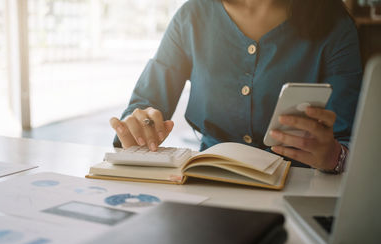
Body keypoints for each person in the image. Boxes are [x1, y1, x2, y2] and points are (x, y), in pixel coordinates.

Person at [110, 0, 362, 173]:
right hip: (206, 180)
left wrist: (335, 157)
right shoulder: (192, 15)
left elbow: (352, 143)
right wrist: (138, 126)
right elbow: (144, 105)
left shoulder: (335, 25)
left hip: (300, 188)